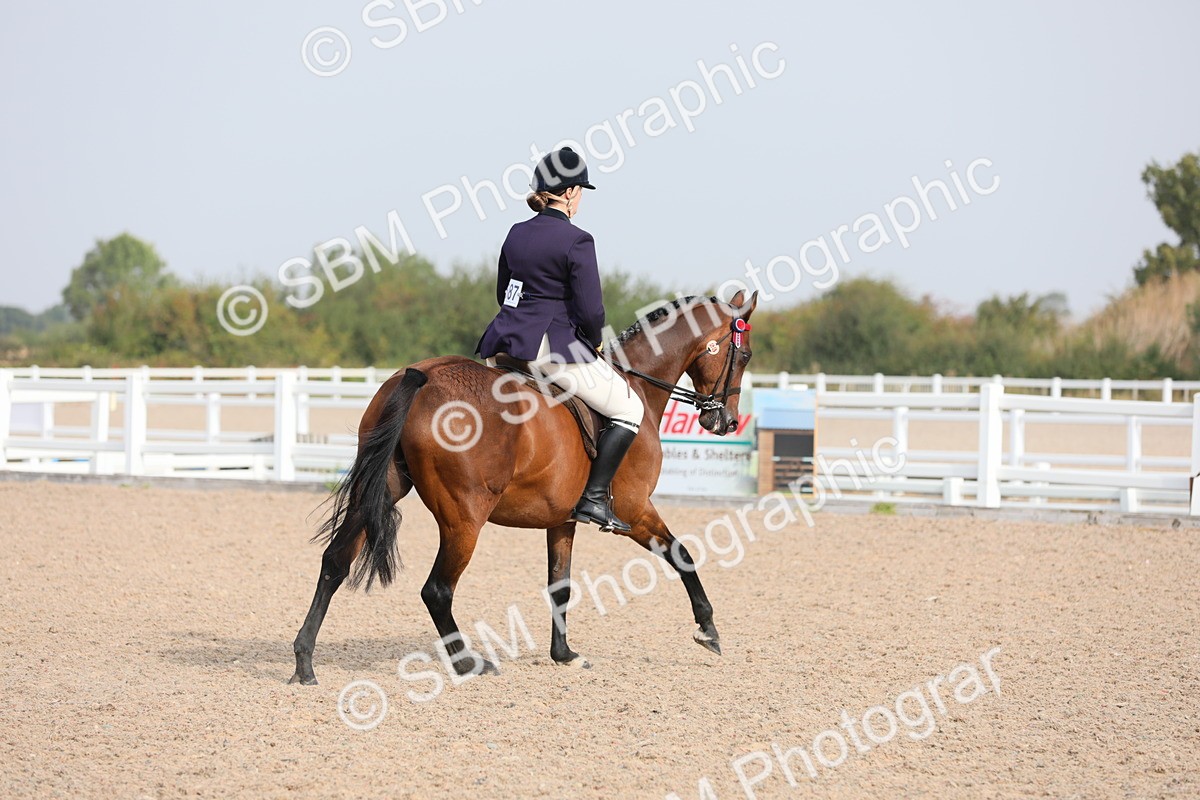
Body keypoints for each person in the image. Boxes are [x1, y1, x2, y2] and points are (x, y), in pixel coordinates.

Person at [477, 146, 644, 532]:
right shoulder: (577, 240)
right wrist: (593, 342)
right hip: (550, 348)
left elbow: (505, 293)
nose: (581, 198)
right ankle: (594, 498)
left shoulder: (516, 233)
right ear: (569, 193)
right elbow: (591, 310)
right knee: (629, 410)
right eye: (581, 191)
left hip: (503, 346)